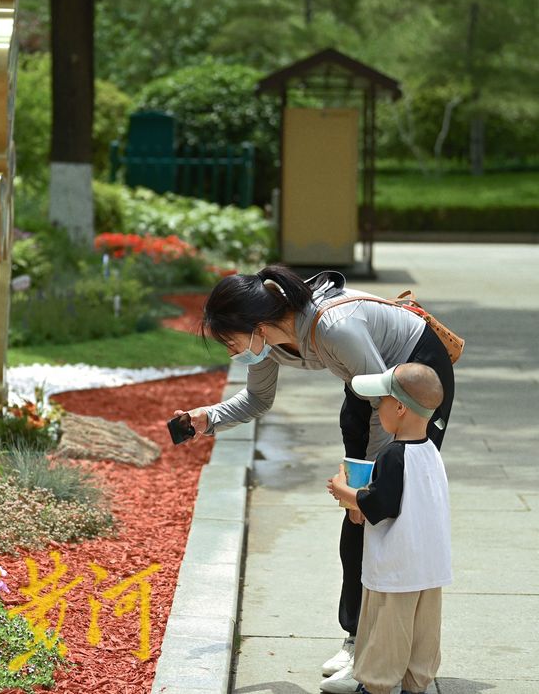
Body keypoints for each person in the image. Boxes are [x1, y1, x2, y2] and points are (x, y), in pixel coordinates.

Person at [174, 265, 455, 694]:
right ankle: (357, 637)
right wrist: (207, 418)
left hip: (413, 380)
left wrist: (372, 489)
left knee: (386, 512)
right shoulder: (267, 341)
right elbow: (256, 399)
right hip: (368, 385)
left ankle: (382, 653)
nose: (233, 353)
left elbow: (386, 405)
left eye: (231, 342)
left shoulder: (335, 328)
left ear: (256, 326)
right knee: (356, 517)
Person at [327, 363, 452, 694]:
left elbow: (380, 506)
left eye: (380, 401)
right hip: (430, 568)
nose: (376, 407)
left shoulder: (393, 455)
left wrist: (346, 492)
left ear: (399, 407)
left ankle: (377, 685)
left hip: (397, 570)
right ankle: (416, 684)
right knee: (424, 635)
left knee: (386, 633)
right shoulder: (430, 452)